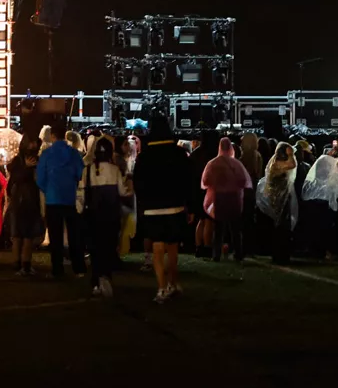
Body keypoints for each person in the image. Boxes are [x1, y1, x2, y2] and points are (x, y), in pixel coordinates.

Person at [134, 116, 192, 302]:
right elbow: (187, 182)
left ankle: (161, 287)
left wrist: (143, 204)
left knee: (157, 249)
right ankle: (174, 282)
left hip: (152, 209)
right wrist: (188, 206)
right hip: (174, 207)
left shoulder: (144, 156)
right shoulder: (179, 154)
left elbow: (137, 183)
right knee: (172, 249)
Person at [36, 126, 86, 278]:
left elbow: (40, 178)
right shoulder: (74, 153)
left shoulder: (46, 154)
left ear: (52, 136)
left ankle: (57, 269)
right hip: (69, 198)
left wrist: (48, 190)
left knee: (55, 237)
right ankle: (79, 268)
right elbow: (80, 173)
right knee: (74, 235)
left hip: (53, 198)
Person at [82, 136, 126, 298]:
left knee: (94, 249)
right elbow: (122, 192)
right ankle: (106, 277)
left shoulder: (88, 170)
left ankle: (96, 280)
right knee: (108, 247)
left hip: (93, 215)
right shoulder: (115, 170)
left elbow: (80, 194)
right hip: (111, 215)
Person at [202, 136, 252, 263]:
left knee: (218, 228)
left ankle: (216, 255)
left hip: (219, 198)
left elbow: (205, 181)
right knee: (235, 228)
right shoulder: (236, 164)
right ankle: (238, 254)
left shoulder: (212, 163)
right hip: (234, 198)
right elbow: (244, 181)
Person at [6, 135, 44, 275]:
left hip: (23, 199)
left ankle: (21, 263)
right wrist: (27, 169)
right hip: (25, 200)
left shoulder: (20, 160)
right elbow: (16, 179)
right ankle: (23, 263)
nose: (34, 146)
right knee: (24, 233)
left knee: (22, 233)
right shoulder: (21, 161)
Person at [257, 142, 298, 265]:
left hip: (282, 199)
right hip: (278, 200)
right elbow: (292, 164)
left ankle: (282, 254)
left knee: (282, 228)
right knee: (281, 228)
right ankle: (279, 255)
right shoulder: (276, 164)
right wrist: (290, 154)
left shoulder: (277, 163)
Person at [301, 153, 338, 260]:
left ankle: (317, 251)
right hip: (324, 203)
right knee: (325, 227)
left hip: (316, 202)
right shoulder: (328, 175)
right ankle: (324, 251)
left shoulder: (318, 176)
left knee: (317, 227)